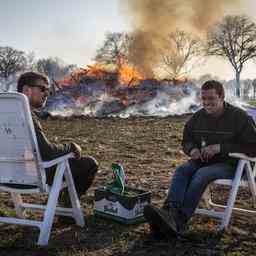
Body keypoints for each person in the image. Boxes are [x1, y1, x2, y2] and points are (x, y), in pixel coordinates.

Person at [144, 80, 256, 239]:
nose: (207, 103)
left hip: (236, 164)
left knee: (202, 174)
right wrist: (193, 150)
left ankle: (180, 220)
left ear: (222, 97)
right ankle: (169, 212)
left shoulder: (239, 117)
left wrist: (220, 148)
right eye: (204, 99)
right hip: (205, 160)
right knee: (182, 170)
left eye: (211, 99)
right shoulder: (197, 117)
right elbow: (187, 140)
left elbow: (253, 147)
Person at [17, 71, 98, 221]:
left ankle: (62, 205)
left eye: (48, 90)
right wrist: (71, 146)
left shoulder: (6, 114)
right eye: (42, 89)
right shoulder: (26, 116)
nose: (47, 93)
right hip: (33, 177)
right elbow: (47, 153)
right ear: (27, 90)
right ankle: (65, 207)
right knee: (89, 164)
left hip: (8, 177)